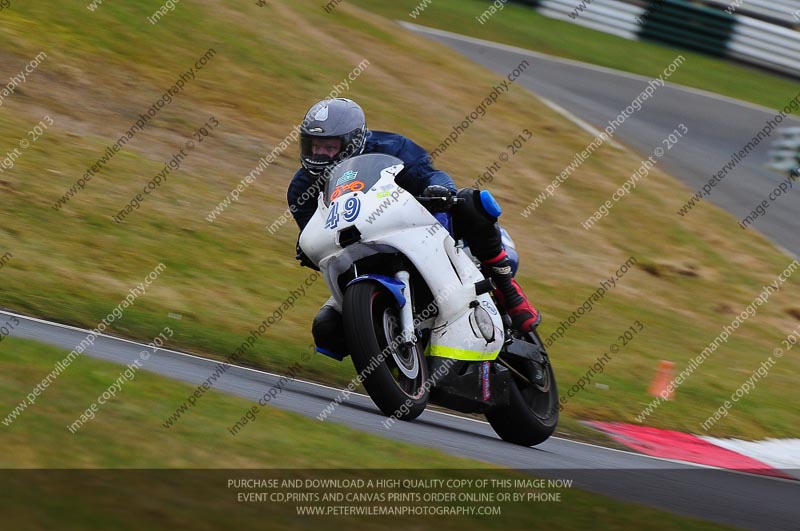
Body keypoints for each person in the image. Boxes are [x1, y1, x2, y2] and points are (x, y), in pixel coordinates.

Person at [287, 98, 540, 359]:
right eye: (314, 146)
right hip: (357, 257)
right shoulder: (300, 189)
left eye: (330, 147)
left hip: (415, 231)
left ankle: (508, 290)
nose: (321, 155)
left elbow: (430, 174)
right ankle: (389, 354)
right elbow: (316, 235)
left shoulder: (392, 147)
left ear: (353, 141)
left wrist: (442, 190)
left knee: (471, 202)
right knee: (327, 330)